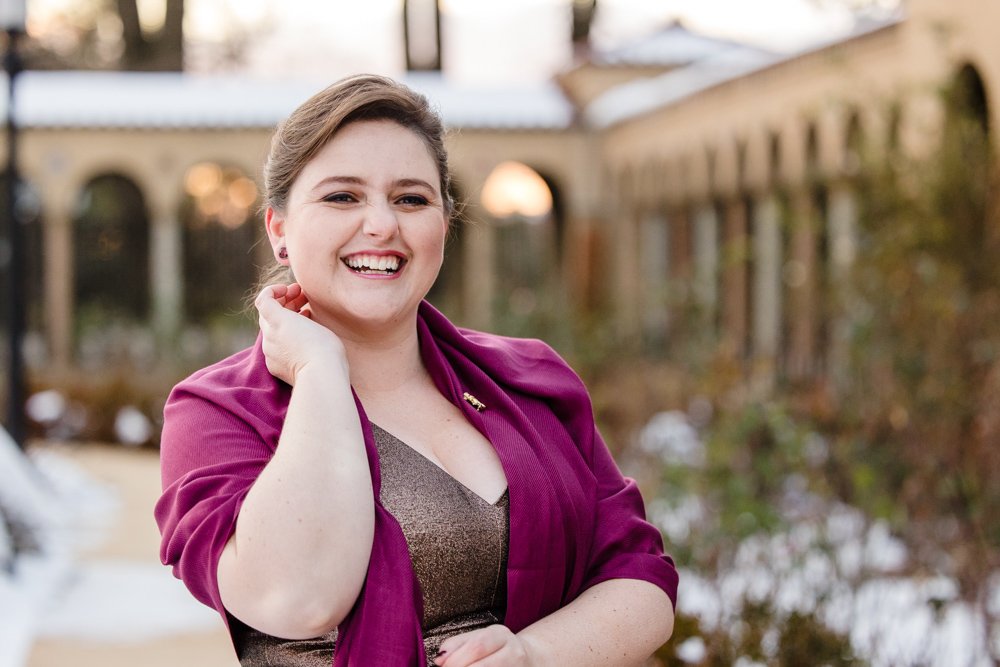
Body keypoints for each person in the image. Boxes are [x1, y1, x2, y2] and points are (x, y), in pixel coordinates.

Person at [155, 73, 678, 667]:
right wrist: (321, 370)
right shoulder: (218, 413)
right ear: (279, 230)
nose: (381, 225)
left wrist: (534, 654)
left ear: (444, 224)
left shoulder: (530, 379)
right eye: (342, 197)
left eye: (411, 198)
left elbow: (641, 575)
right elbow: (296, 600)